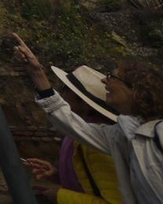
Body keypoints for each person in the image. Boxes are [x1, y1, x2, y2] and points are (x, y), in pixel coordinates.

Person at [14, 34, 163, 204]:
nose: (104, 80)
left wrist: (60, 195)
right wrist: (37, 73)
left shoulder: (158, 132)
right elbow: (71, 124)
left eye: (112, 77)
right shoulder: (121, 135)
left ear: (135, 90)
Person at [18, 64, 121, 203]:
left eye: (67, 89)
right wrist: (57, 175)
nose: (63, 94)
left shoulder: (96, 142)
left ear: (83, 103)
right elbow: (90, 184)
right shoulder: (78, 135)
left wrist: (59, 195)